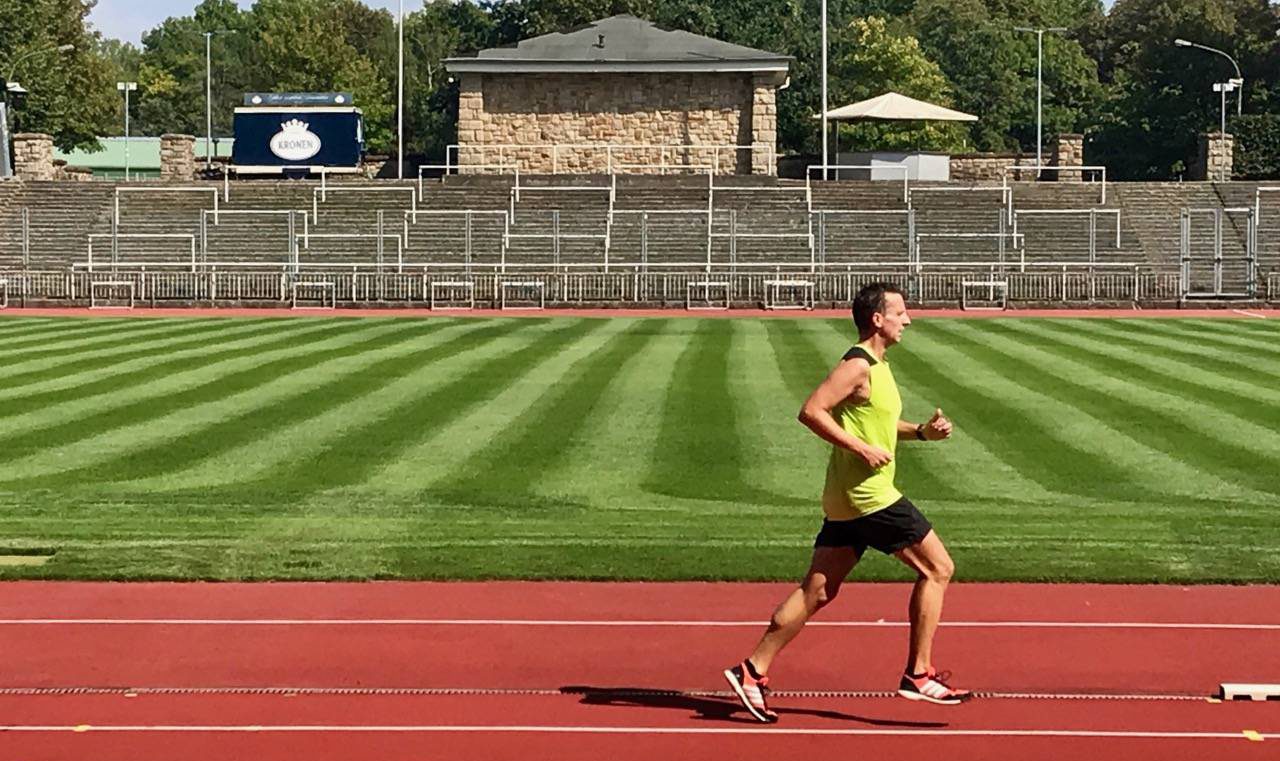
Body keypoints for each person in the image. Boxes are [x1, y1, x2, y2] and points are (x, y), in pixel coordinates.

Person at [723, 282, 970, 723]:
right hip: (868, 495)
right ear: (878, 319)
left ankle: (751, 671)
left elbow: (877, 423)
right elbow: (812, 410)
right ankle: (918, 673)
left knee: (817, 590)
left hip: (847, 500)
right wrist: (860, 449)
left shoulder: (877, 365)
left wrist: (920, 433)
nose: (908, 320)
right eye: (900, 313)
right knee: (938, 568)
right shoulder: (857, 364)